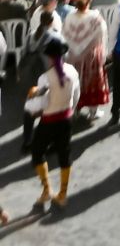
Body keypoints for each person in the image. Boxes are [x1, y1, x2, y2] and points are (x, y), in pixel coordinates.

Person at [27, 35, 80, 211]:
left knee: (37, 152)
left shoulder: (45, 78)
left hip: (48, 121)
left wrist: (32, 99)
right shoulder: (72, 71)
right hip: (66, 119)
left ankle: (47, 189)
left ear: (49, 57)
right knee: (64, 155)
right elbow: (76, 96)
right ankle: (62, 194)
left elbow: (40, 105)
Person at [63, 0, 110, 121]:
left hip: (72, 55)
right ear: (89, 1)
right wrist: (104, 54)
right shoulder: (95, 17)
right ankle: (93, 111)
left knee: (75, 81)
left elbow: (65, 35)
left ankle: (75, 109)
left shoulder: (70, 16)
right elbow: (101, 36)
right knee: (92, 82)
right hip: (91, 55)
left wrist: (73, 50)